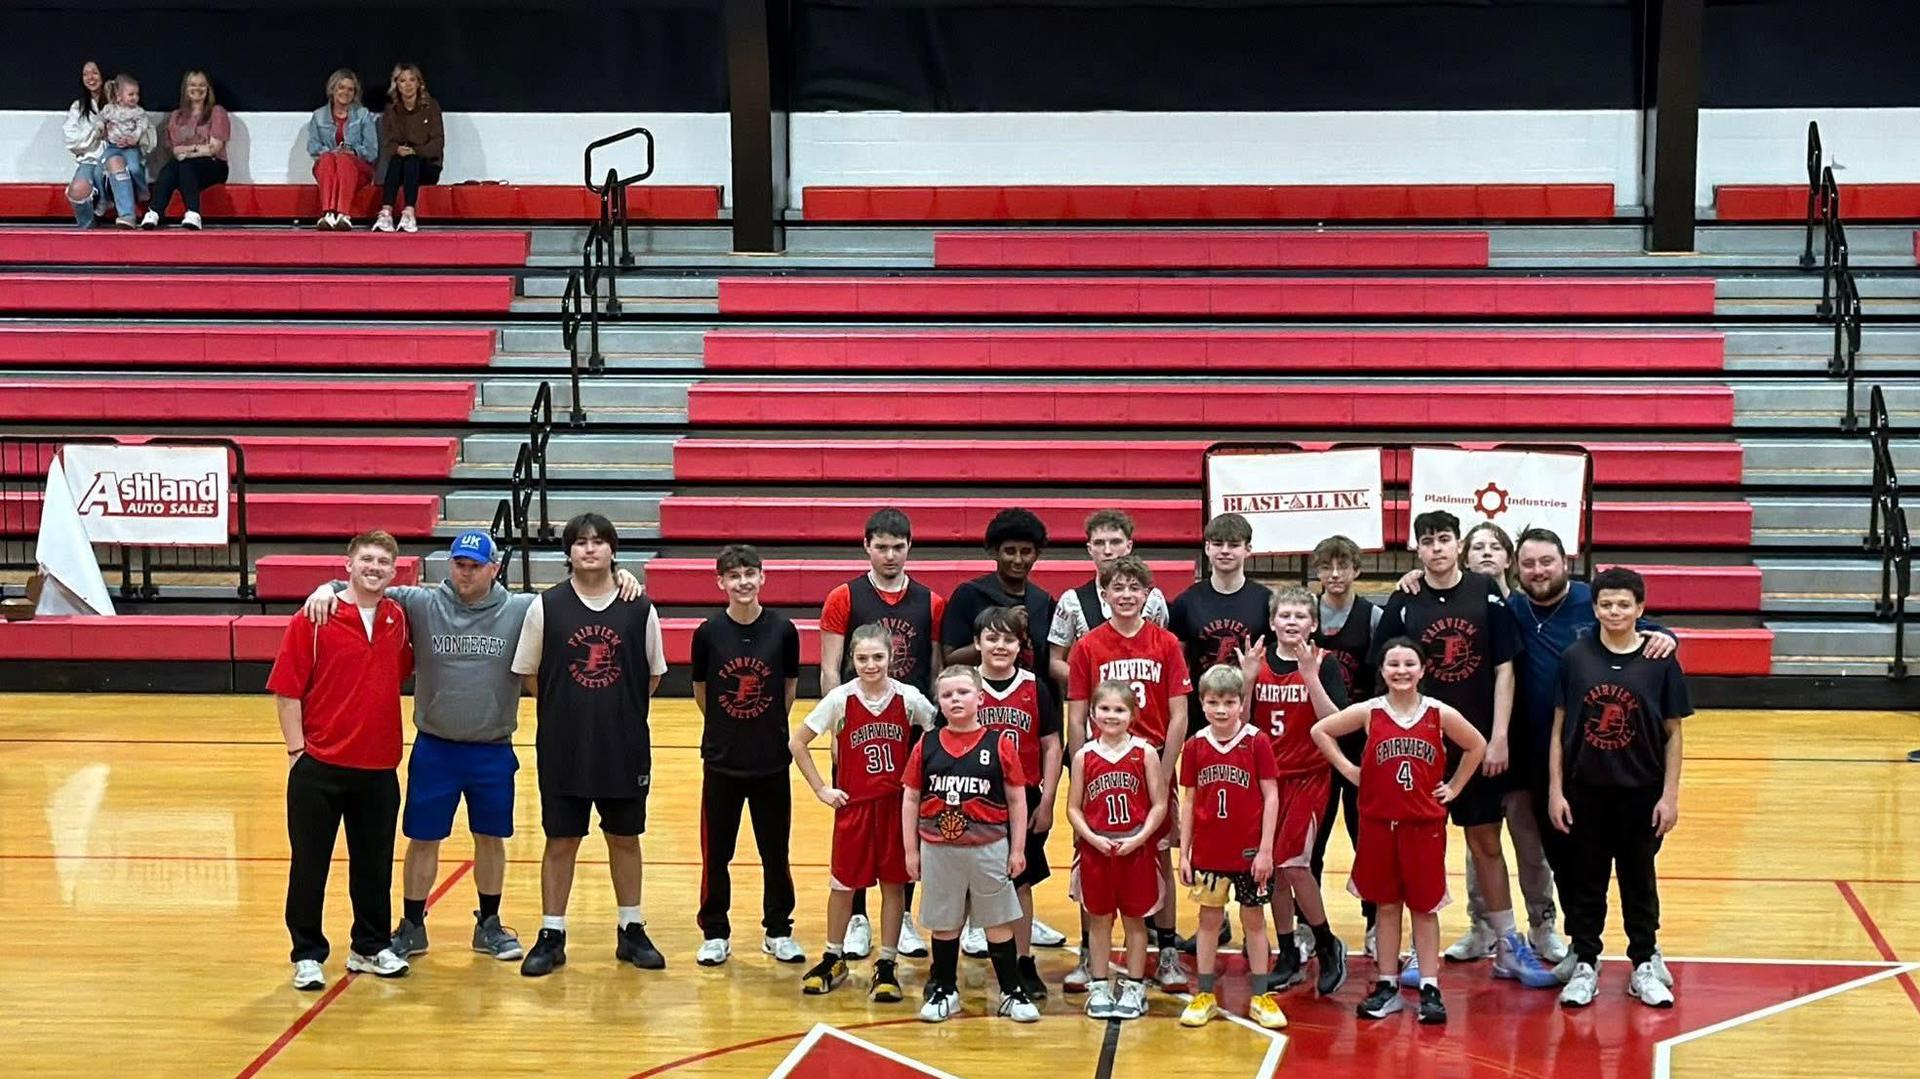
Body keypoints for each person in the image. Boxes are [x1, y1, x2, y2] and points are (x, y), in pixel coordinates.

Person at [301, 529, 642, 965]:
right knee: (422, 838)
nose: (465, 572)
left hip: (492, 748)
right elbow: (366, 582)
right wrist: (324, 588)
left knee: (490, 838)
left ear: (494, 568)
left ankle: (489, 924)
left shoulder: (521, 608)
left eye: (475, 565)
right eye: (459, 564)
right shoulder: (422, 603)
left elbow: (581, 596)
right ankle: (411, 924)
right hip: (435, 746)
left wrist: (624, 577)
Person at [1374, 511, 1555, 989]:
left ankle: (1508, 947)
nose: (1436, 548)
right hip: (1417, 750)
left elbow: (1503, 668)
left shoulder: (1486, 592)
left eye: (1444, 539)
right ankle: (1419, 949)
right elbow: (1386, 668)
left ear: (1458, 544)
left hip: (1475, 744)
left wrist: (1497, 736)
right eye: (1427, 541)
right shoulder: (1404, 598)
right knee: (1415, 852)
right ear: (1417, 549)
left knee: (1485, 844)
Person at [1506, 527, 1675, 979]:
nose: (1538, 571)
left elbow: (1648, 631)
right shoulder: (1513, 608)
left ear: (1565, 562)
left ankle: (1645, 950)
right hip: (1542, 759)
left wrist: (1668, 636)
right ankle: (1581, 949)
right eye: (1529, 563)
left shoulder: (1594, 600)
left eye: (1547, 561)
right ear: (1516, 569)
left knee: (1634, 865)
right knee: (1566, 857)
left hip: (1608, 762)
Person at [510, 513, 668, 977]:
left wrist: (611, 708)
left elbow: (653, 676)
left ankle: (631, 928)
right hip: (563, 745)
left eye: (599, 542)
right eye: (580, 543)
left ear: (613, 551)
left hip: (623, 745)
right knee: (561, 839)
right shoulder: (546, 606)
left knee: (625, 838)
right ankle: (552, 933)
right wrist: (571, 707)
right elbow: (531, 674)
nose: (590, 549)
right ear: (569, 553)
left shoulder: (639, 608)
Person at [1311, 638, 1487, 1025]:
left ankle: (1429, 986)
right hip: (1377, 824)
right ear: (1383, 671)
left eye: (1409, 663)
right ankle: (1387, 983)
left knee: (1424, 909)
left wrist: (1454, 787)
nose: (1401, 670)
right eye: (1394, 664)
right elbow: (1321, 731)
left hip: (1423, 826)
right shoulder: (1370, 712)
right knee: (1386, 906)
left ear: (1423, 670)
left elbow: (1477, 745)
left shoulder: (1438, 713)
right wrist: (1349, 771)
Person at [269, 530, 414, 989]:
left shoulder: (398, 619)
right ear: (347, 565)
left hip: (378, 767)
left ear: (394, 572)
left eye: (384, 562)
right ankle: (307, 952)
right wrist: (297, 752)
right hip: (319, 766)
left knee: (374, 865)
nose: (375, 567)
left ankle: (369, 946)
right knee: (309, 864)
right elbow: (287, 691)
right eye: (367, 559)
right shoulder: (314, 618)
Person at [1549, 567, 1689, 1010]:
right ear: (1595, 608)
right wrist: (1556, 790)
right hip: (1586, 789)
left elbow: (1674, 734)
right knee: (1586, 881)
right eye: (1606, 604)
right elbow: (1557, 730)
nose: (1614, 611)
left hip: (1640, 792)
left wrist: (1669, 795)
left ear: (1640, 609)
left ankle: (1643, 962)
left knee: (1639, 881)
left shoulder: (1660, 659)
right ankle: (1587, 963)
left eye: (1623, 604)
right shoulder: (1575, 658)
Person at [818, 507, 945, 959]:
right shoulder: (843, 597)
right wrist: (837, 728)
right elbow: (830, 668)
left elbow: (934, 671)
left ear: (910, 547)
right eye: (882, 547)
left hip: (907, 728)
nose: (890, 555)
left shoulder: (930, 601)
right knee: (855, 824)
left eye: (898, 547)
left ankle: (903, 917)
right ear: (866, 547)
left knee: (902, 824)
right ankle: (856, 918)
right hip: (858, 727)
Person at [791, 623, 937, 1001]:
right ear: (851, 660)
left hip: (894, 807)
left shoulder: (908, 698)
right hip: (854, 807)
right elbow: (797, 742)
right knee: (842, 887)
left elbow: (938, 731)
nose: (870, 665)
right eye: (862, 658)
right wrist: (822, 788)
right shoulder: (840, 698)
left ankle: (887, 962)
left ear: (891, 658)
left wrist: (924, 786)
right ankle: (832, 955)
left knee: (893, 885)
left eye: (878, 657)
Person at [1066, 555, 1191, 990]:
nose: (1125, 596)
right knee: (1093, 856)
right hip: (1100, 758)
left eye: (1134, 589)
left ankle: (1168, 952)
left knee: (1156, 858)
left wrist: (1165, 765)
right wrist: (1081, 760)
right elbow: (1077, 712)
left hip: (1151, 759)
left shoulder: (1166, 643)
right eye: (1117, 588)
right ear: (1105, 594)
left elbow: (1179, 715)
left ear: (1147, 595)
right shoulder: (1088, 646)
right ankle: (1089, 953)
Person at [689, 544, 805, 967]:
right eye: (733, 576)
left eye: (749, 574)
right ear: (720, 582)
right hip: (722, 760)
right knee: (716, 852)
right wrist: (728, 724)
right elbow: (702, 690)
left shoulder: (783, 630)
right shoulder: (707, 633)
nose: (743, 582)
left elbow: (788, 687)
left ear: (762, 577)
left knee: (775, 851)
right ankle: (715, 931)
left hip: (771, 760)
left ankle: (777, 929)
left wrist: (766, 724)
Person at [902, 666, 1036, 1024]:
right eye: (947, 695)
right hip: (938, 849)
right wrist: (911, 851)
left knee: (997, 924)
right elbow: (912, 799)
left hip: (989, 847)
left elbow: (1017, 800)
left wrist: (1018, 848)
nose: (955, 699)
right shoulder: (926, 744)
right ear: (939, 703)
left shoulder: (999, 744)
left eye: (963, 692)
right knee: (944, 925)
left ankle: (1011, 991)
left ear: (980, 698)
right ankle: (946, 990)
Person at [1166, 511, 1270, 957]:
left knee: (1247, 809)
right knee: (1208, 806)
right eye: (1217, 544)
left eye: (1234, 544)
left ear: (1249, 549)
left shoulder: (1264, 600)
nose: (1225, 551)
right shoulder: (1189, 602)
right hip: (1203, 717)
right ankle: (1217, 918)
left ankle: (1261, 921)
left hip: (1249, 720)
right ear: (1207, 549)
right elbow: (1181, 662)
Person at [1239, 586, 1348, 995]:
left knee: (1294, 863)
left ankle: (1325, 943)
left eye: (1300, 616)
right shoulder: (1257, 663)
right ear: (1272, 622)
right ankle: (1287, 950)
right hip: (1267, 780)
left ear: (1314, 624)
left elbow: (1333, 722)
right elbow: (1243, 723)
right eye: (1284, 615)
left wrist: (1310, 677)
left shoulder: (1324, 663)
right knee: (1273, 873)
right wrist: (1247, 682)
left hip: (1310, 776)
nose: (1291, 622)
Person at [1176, 665, 1285, 1031]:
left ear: (1241, 703)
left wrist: (1267, 849)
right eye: (1213, 702)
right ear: (1202, 704)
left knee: (1254, 922)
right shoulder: (1194, 745)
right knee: (1208, 921)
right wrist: (1185, 852)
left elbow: (1271, 796)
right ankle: (1204, 993)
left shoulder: (1257, 741)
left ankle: (1260, 994)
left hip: (1250, 854)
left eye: (1228, 702)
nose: (1221, 710)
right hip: (1209, 852)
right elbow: (1189, 801)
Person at [972, 606, 1064, 1000]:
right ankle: (954, 959)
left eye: (1008, 639)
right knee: (969, 883)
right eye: (991, 638)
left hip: (1023, 799)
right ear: (977, 643)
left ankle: (1023, 961)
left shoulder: (1035, 687)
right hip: (974, 797)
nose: (1000, 646)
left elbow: (1052, 745)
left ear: (1019, 646)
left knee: (1020, 881)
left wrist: (1047, 803)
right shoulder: (964, 684)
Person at [1066, 680, 1166, 1021]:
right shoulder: (1083, 756)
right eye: (1104, 709)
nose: (1111, 715)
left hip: (1135, 848)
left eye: (1119, 709)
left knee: (1136, 922)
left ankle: (1135, 986)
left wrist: (1140, 838)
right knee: (1099, 921)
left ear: (1133, 714)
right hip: (1097, 849)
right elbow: (1073, 808)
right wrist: (1091, 837)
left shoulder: (1145, 752)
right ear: (1092, 713)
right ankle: (1099, 985)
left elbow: (1159, 805)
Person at [1307, 534, 1382, 956]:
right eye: (1326, 567)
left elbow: (1380, 679)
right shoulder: (1306, 615)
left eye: (1342, 567)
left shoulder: (1371, 617)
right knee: (1310, 839)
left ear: (1356, 570)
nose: (1334, 575)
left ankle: (1374, 922)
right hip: (1313, 741)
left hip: (1359, 742)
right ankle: (1305, 925)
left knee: (1363, 835)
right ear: (1317, 571)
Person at [1048, 509, 1170, 688]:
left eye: (1115, 542)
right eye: (1099, 543)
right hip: (1096, 706)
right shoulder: (1072, 600)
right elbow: (1055, 662)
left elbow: (1164, 656)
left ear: (1128, 546)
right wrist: (1095, 684)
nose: (1107, 551)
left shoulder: (1153, 598)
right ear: (1089, 548)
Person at [942, 507, 1054, 673]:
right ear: (994, 552)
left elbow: (1049, 663)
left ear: (1037, 554)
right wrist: (1003, 629)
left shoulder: (1044, 602)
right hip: (979, 694)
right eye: (1009, 551)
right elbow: (950, 659)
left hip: (1031, 696)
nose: (1018, 560)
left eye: (1026, 552)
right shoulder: (969, 595)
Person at [142, 70, 229, 230]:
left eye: (202, 85)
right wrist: (196, 150)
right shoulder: (177, 116)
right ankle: (155, 212)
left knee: (185, 165)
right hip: (184, 165)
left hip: (214, 165)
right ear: (186, 89)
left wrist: (188, 151)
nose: (198, 89)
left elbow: (214, 149)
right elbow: (175, 151)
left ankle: (193, 213)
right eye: (193, 85)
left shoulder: (217, 112)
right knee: (170, 168)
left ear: (208, 89)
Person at [373, 63, 443, 233]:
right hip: (401, 166)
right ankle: (386, 213)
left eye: (412, 80)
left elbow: (437, 143)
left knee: (410, 159)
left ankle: (409, 212)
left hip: (428, 166)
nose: (408, 84)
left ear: (419, 83)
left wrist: (415, 151)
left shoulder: (431, 107)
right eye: (403, 81)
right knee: (399, 159)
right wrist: (397, 149)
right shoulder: (391, 110)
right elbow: (388, 143)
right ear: (396, 84)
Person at [306, 68, 378, 230]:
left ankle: (343, 214)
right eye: (341, 87)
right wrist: (332, 153)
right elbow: (313, 147)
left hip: (358, 169)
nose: (345, 92)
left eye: (350, 89)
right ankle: (329, 214)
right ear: (332, 90)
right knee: (327, 158)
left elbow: (372, 151)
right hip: (329, 167)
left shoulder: (363, 115)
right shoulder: (318, 116)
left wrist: (352, 151)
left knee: (344, 159)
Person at [96, 74, 155, 229]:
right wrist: (101, 129)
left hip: (130, 148)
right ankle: (104, 200)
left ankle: (142, 191)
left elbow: (142, 126)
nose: (135, 98)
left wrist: (134, 138)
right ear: (119, 96)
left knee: (135, 168)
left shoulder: (138, 112)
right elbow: (100, 120)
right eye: (131, 94)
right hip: (113, 147)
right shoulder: (109, 110)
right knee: (98, 171)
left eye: (137, 94)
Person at [62, 62, 111, 228]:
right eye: (86, 74)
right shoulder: (78, 107)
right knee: (77, 188)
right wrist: (94, 134)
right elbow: (72, 141)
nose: (90, 78)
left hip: (114, 158)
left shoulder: (117, 103)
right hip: (89, 161)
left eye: (95, 73)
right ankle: (87, 230)